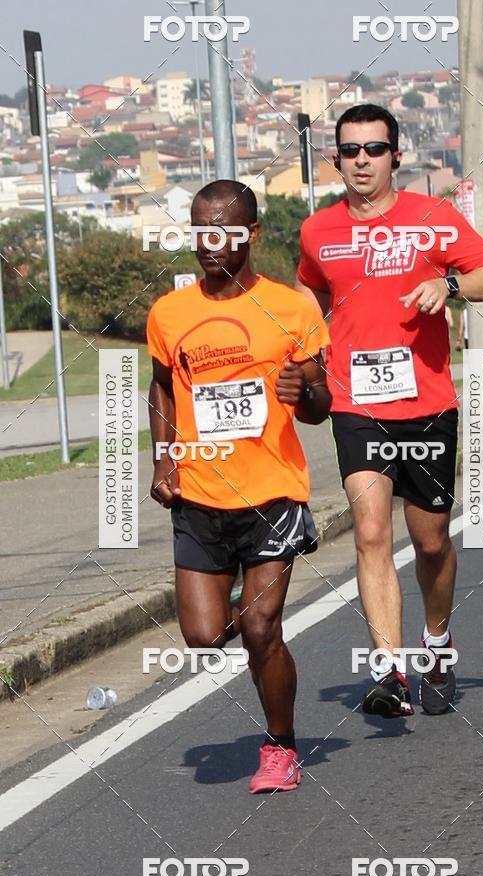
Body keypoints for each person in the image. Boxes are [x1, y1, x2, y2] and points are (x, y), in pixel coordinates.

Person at [295, 104, 483, 717]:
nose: (362, 160)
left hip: (427, 402)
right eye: (350, 150)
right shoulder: (318, 230)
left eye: (374, 149)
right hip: (356, 402)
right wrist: (312, 344)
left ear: (396, 155)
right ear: (336, 159)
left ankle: (436, 638)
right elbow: (308, 286)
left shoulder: (433, 218)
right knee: (370, 532)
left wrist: (448, 286)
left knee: (432, 540)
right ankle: (389, 670)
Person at [146, 180, 331, 792]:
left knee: (260, 630)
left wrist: (303, 392)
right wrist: (164, 460)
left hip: (273, 490)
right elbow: (162, 388)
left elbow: (321, 404)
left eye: (224, 230)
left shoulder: (293, 309)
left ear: (251, 234)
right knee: (202, 635)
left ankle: (280, 747)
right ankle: (251, 617)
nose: (210, 243)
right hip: (200, 493)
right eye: (200, 230)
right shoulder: (170, 313)